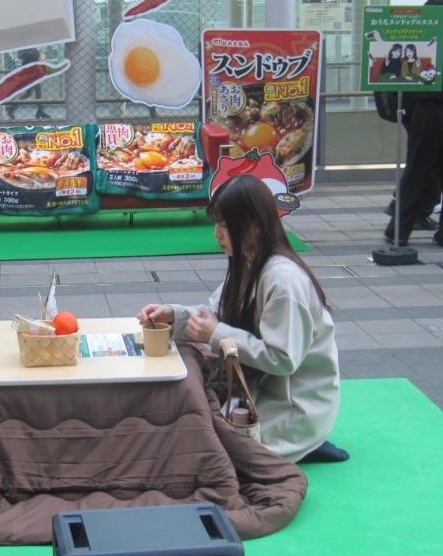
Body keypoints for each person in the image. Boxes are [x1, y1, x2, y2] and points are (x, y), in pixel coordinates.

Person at [137, 175, 346, 464]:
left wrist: (216, 334)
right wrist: (174, 315)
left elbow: (283, 359)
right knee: (189, 417)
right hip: (260, 388)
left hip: (292, 407)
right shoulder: (251, 261)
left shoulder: (284, 281)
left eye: (224, 226)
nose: (216, 234)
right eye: (217, 224)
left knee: (201, 447)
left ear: (254, 227)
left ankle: (307, 443)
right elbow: (216, 313)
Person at [384, 0, 443, 249]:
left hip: (428, 109)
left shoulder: (423, 40)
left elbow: (410, 80)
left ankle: (399, 231)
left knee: (417, 170)